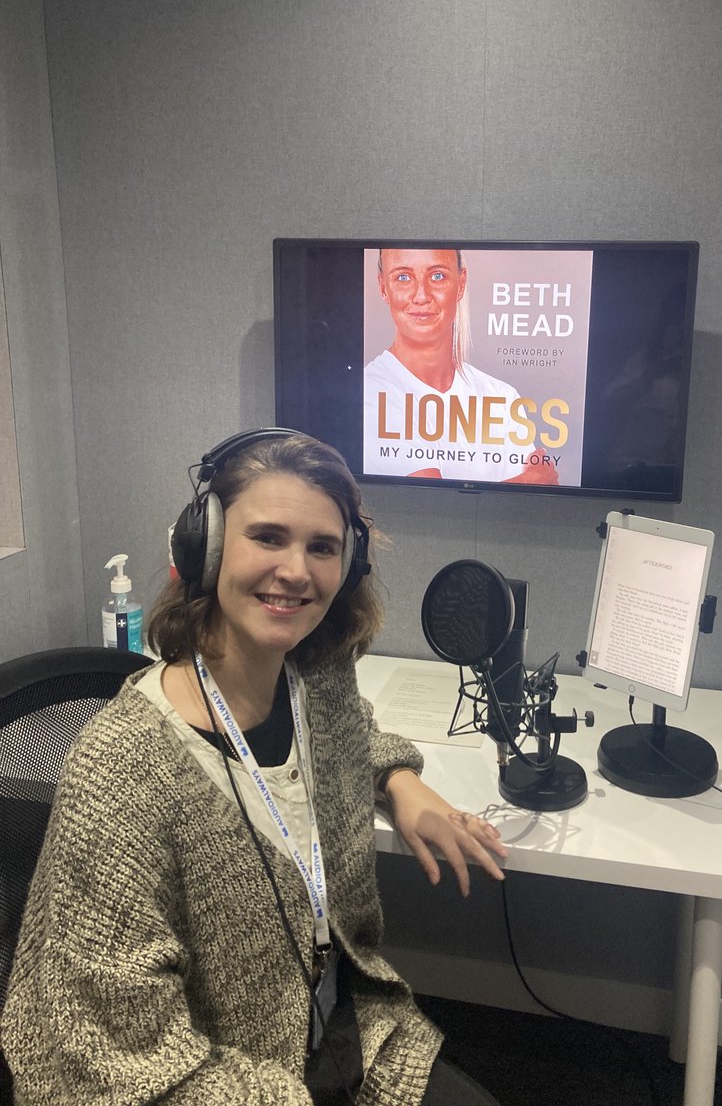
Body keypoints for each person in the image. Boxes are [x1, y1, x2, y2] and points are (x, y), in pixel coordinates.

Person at [1, 429, 506, 1105]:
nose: (297, 570)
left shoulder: (313, 683)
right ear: (203, 549)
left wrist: (399, 780)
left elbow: (351, 729)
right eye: (268, 537)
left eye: (322, 547)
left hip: (344, 1031)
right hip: (214, 1076)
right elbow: (110, 1061)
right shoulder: (122, 768)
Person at [363, 248, 560, 485]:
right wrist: (529, 480)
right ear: (383, 287)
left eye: (437, 276)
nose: (421, 296)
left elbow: (528, 506)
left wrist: (528, 482)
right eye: (403, 277)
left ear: (461, 282)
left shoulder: (503, 396)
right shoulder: (369, 393)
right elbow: (430, 500)